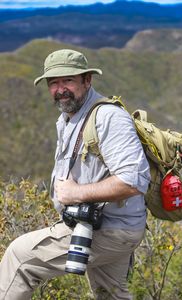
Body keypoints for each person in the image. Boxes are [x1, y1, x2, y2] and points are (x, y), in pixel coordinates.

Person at [0, 49, 150, 300]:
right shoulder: (69, 117)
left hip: (110, 229)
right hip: (110, 226)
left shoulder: (108, 117)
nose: (61, 89)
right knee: (110, 294)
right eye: (54, 83)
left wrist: (75, 193)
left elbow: (133, 180)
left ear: (87, 80)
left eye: (68, 80)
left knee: (19, 258)